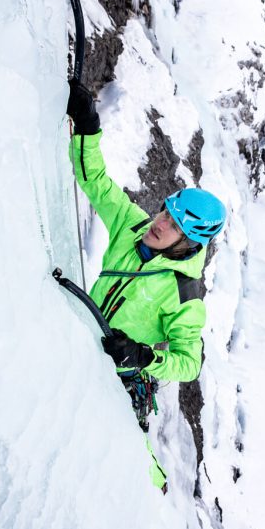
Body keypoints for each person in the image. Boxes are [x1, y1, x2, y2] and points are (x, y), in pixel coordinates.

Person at [66, 79, 227, 492]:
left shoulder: (185, 295)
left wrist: (142, 356)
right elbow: (95, 180)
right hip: (78, 339)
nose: (160, 223)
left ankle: (154, 499)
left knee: (130, 468)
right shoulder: (132, 225)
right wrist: (87, 127)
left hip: (117, 373)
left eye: (174, 225)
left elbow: (189, 363)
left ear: (190, 242)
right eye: (166, 212)